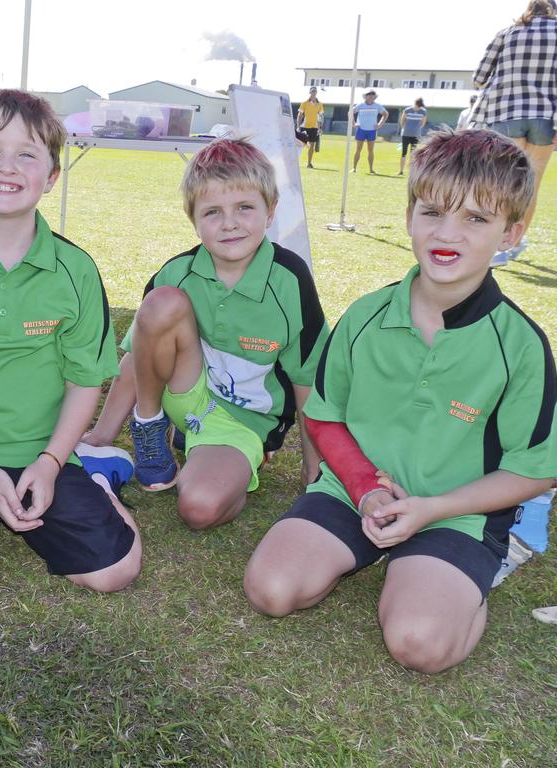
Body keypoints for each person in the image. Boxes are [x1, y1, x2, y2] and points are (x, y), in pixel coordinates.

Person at [244, 130, 557, 674]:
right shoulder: (365, 316)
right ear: (410, 213)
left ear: (512, 231)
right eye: (432, 211)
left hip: (456, 515)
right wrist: (365, 491)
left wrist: (430, 510)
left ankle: (452, 577)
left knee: (420, 644)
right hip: (355, 493)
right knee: (270, 589)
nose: (447, 234)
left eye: (476, 220)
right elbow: (323, 416)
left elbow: (533, 473)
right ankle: (378, 554)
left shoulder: (521, 348)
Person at [0, 89, 141, 595]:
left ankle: (95, 477)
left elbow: (84, 380)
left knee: (115, 573)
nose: (8, 166)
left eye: (27, 154)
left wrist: (49, 462)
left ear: (53, 177)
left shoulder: (75, 270)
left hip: (43, 451)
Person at [82, 137, 329, 530]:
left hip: (243, 422)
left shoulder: (290, 280)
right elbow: (137, 358)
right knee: (163, 302)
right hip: (187, 393)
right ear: (193, 219)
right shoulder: (176, 272)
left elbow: (305, 380)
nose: (229, 223)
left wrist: (312, 469)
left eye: (244, 208)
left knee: (198, 509)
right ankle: (150, 430)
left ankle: (216, 458)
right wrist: (101, 434)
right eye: (212, 212)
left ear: (270, 211)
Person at [469, 0, 557, 257]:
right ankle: (511, 246)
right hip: (545, 117)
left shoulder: (507, 32)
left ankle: (489, 244)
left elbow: (479, 78)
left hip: (505, 113)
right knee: (531, 186)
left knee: (499, 183)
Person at [352, 89, 389, 173]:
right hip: (361, 130)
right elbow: (350, 112)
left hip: (372, 131)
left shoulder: (377, 106)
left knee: (371, 150)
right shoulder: (360, 105)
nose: (371, 96)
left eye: (373, 94)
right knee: (358, 149)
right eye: (369, 94)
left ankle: (371, 169)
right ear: (366, 96)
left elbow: (386, 114)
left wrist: (380, 124)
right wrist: (354, 123)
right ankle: (354, 168)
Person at [397, 97, 428, 175]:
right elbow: (402, 120)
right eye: (419, 105)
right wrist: (405, 128)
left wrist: (417, 129)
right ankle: (401, 171)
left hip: (416, 135)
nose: (419, 106)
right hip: (406, 134)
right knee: (404, 152)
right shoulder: (407, 110)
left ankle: (411, 171)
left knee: (413, 153)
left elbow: (423, 123)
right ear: (415, 103)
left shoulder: (423, 111)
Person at [297, 86, 324, 169]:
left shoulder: (320, 104)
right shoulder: (304, 103)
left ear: (316, 93)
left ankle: (309, 163)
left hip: (314, 127)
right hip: (304, 126)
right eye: (312, 92)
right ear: (310, 92)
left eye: (315, 92)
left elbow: (320, 116)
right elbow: (300, 115)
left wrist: (319, 128)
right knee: (300, 144)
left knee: (312, 146)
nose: (313, 93)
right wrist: (298, 126)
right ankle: (295, 162)